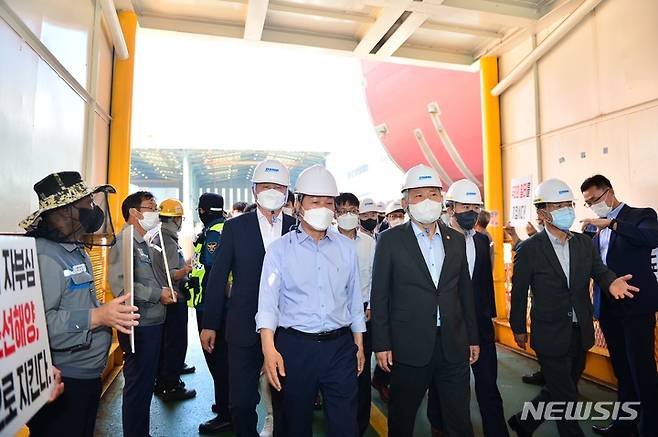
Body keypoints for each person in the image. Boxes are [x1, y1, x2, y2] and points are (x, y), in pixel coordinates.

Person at [507, 178, 639, 437]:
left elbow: (599, 271)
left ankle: (525, 422)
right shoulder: (529, 249)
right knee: (566, 397)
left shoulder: (583, 243)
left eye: (568, 204)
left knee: (560, 386)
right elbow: (520, 291)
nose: (566, 209)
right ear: (542, 212)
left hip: (580, 330)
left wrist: (611, 282)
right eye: (558, 205)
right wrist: (518, 327)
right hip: (549, 332)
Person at [21, 171, 139, 437]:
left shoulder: (74, 249)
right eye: (87, 204)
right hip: (63, 382)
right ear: (64, 211)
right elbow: (38, 327)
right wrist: (97, 317)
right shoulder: (45, 257)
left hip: (84, 378)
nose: (94, 210)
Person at [257, 164, 366, 437]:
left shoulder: (345, 248)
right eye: (315, 201)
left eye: (329, 202)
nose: (323, 208)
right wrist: (269, 351)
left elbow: (354, 301)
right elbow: (268, 305)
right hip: (295, 348)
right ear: (298, 205)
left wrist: (359, 345)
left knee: (345, 424)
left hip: (340, 348)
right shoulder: (279, 251)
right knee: (294, 423)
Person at [371, 164, 479, 437]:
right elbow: (380, 295)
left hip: (453, 344)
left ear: (442, 199)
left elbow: (464, 292)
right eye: (419, 196)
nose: (427, 201)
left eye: (433, 194)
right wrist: (381, 343)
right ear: (406, 201)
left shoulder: (456, 240)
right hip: (409, 346)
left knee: (459, 419)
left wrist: (473, 337)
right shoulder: (390, 240)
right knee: (402, 417)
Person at [200, 159, 296, 437]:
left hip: (287, 327)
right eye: (266, 186)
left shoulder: (295, 227)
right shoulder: (235, 227)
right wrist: (210, 323)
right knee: (241, 401)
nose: (272, 191)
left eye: (278, 186)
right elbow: (217, 277)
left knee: (285, 398)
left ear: (287, 192)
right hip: (243, 326)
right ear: (254, 190)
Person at [426, 179, 509, 437]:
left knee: (488, 387)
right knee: (444, 389)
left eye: (475, 206)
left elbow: (483, 285)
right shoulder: (435, 241)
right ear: (450, 208)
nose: (471, 212)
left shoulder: (484, 242)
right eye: (465, 206)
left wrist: (490, 319)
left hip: (481, 329)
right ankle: (439, 425)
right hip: (448, 328)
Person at [580, 175, 658, 437]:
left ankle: (651, 427)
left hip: (636, 307)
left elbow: (651, 238)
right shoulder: (592, 228)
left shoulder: (640, 215)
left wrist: (612, 223)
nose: (592, 206)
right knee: (622, 370)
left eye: (595, 199)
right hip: (608, 308)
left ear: (610, 193)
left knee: (642, 370)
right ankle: (625, 426)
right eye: (588, 203)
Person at [109, 191, 176, 437]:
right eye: (150, 207)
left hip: (152, 322)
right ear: (134, 212)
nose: (155, 212)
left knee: (145, 384)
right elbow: (120, 285)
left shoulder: (144, 242)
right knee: (138, 385)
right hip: (139, 323)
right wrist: (157, 294)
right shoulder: (124, 242)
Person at [335, 192, 377, 436]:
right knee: (341, 369)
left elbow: (374, 276)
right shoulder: (327, 240)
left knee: (362, 370)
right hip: (336, 315)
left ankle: (360, 423)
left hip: (363, 312)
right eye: (342, 211)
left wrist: (370, 305)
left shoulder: (369, 243)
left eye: (352, 210)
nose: (347, 215)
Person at [189, 192, 231, 432]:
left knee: (217, 360)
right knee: (222, 359)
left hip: (211, 307)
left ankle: (227, 412)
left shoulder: (215, 232)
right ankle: (225, 403)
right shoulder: (222, 228)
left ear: (203, 210)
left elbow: (214, 272)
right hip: (216, 306)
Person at [152, 199, 196, 401]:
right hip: (173, 298)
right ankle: (170, 385)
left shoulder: (159, 235)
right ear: (176, 219)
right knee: (175, 343)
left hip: (166, 299)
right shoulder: (167, 240)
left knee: (167, 343)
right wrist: (186, 269)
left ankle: (165, 379)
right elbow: (171, 274)